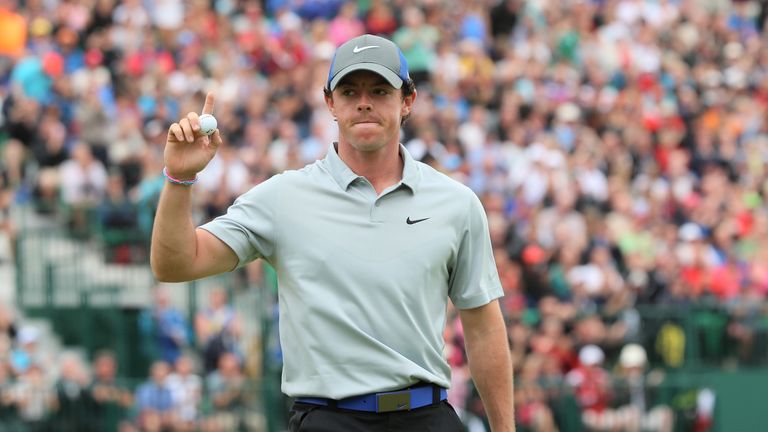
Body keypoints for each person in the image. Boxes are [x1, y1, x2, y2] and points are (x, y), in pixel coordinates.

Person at [151, 34, 514, 430]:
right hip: (328, 418)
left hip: (427, 416)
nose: (363, 102)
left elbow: (483, 329)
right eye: (349, 91)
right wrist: (179, 178)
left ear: (407, 101)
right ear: (330, 103)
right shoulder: (284, 197)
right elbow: (176, 264)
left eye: (379, 90)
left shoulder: (456, 203)